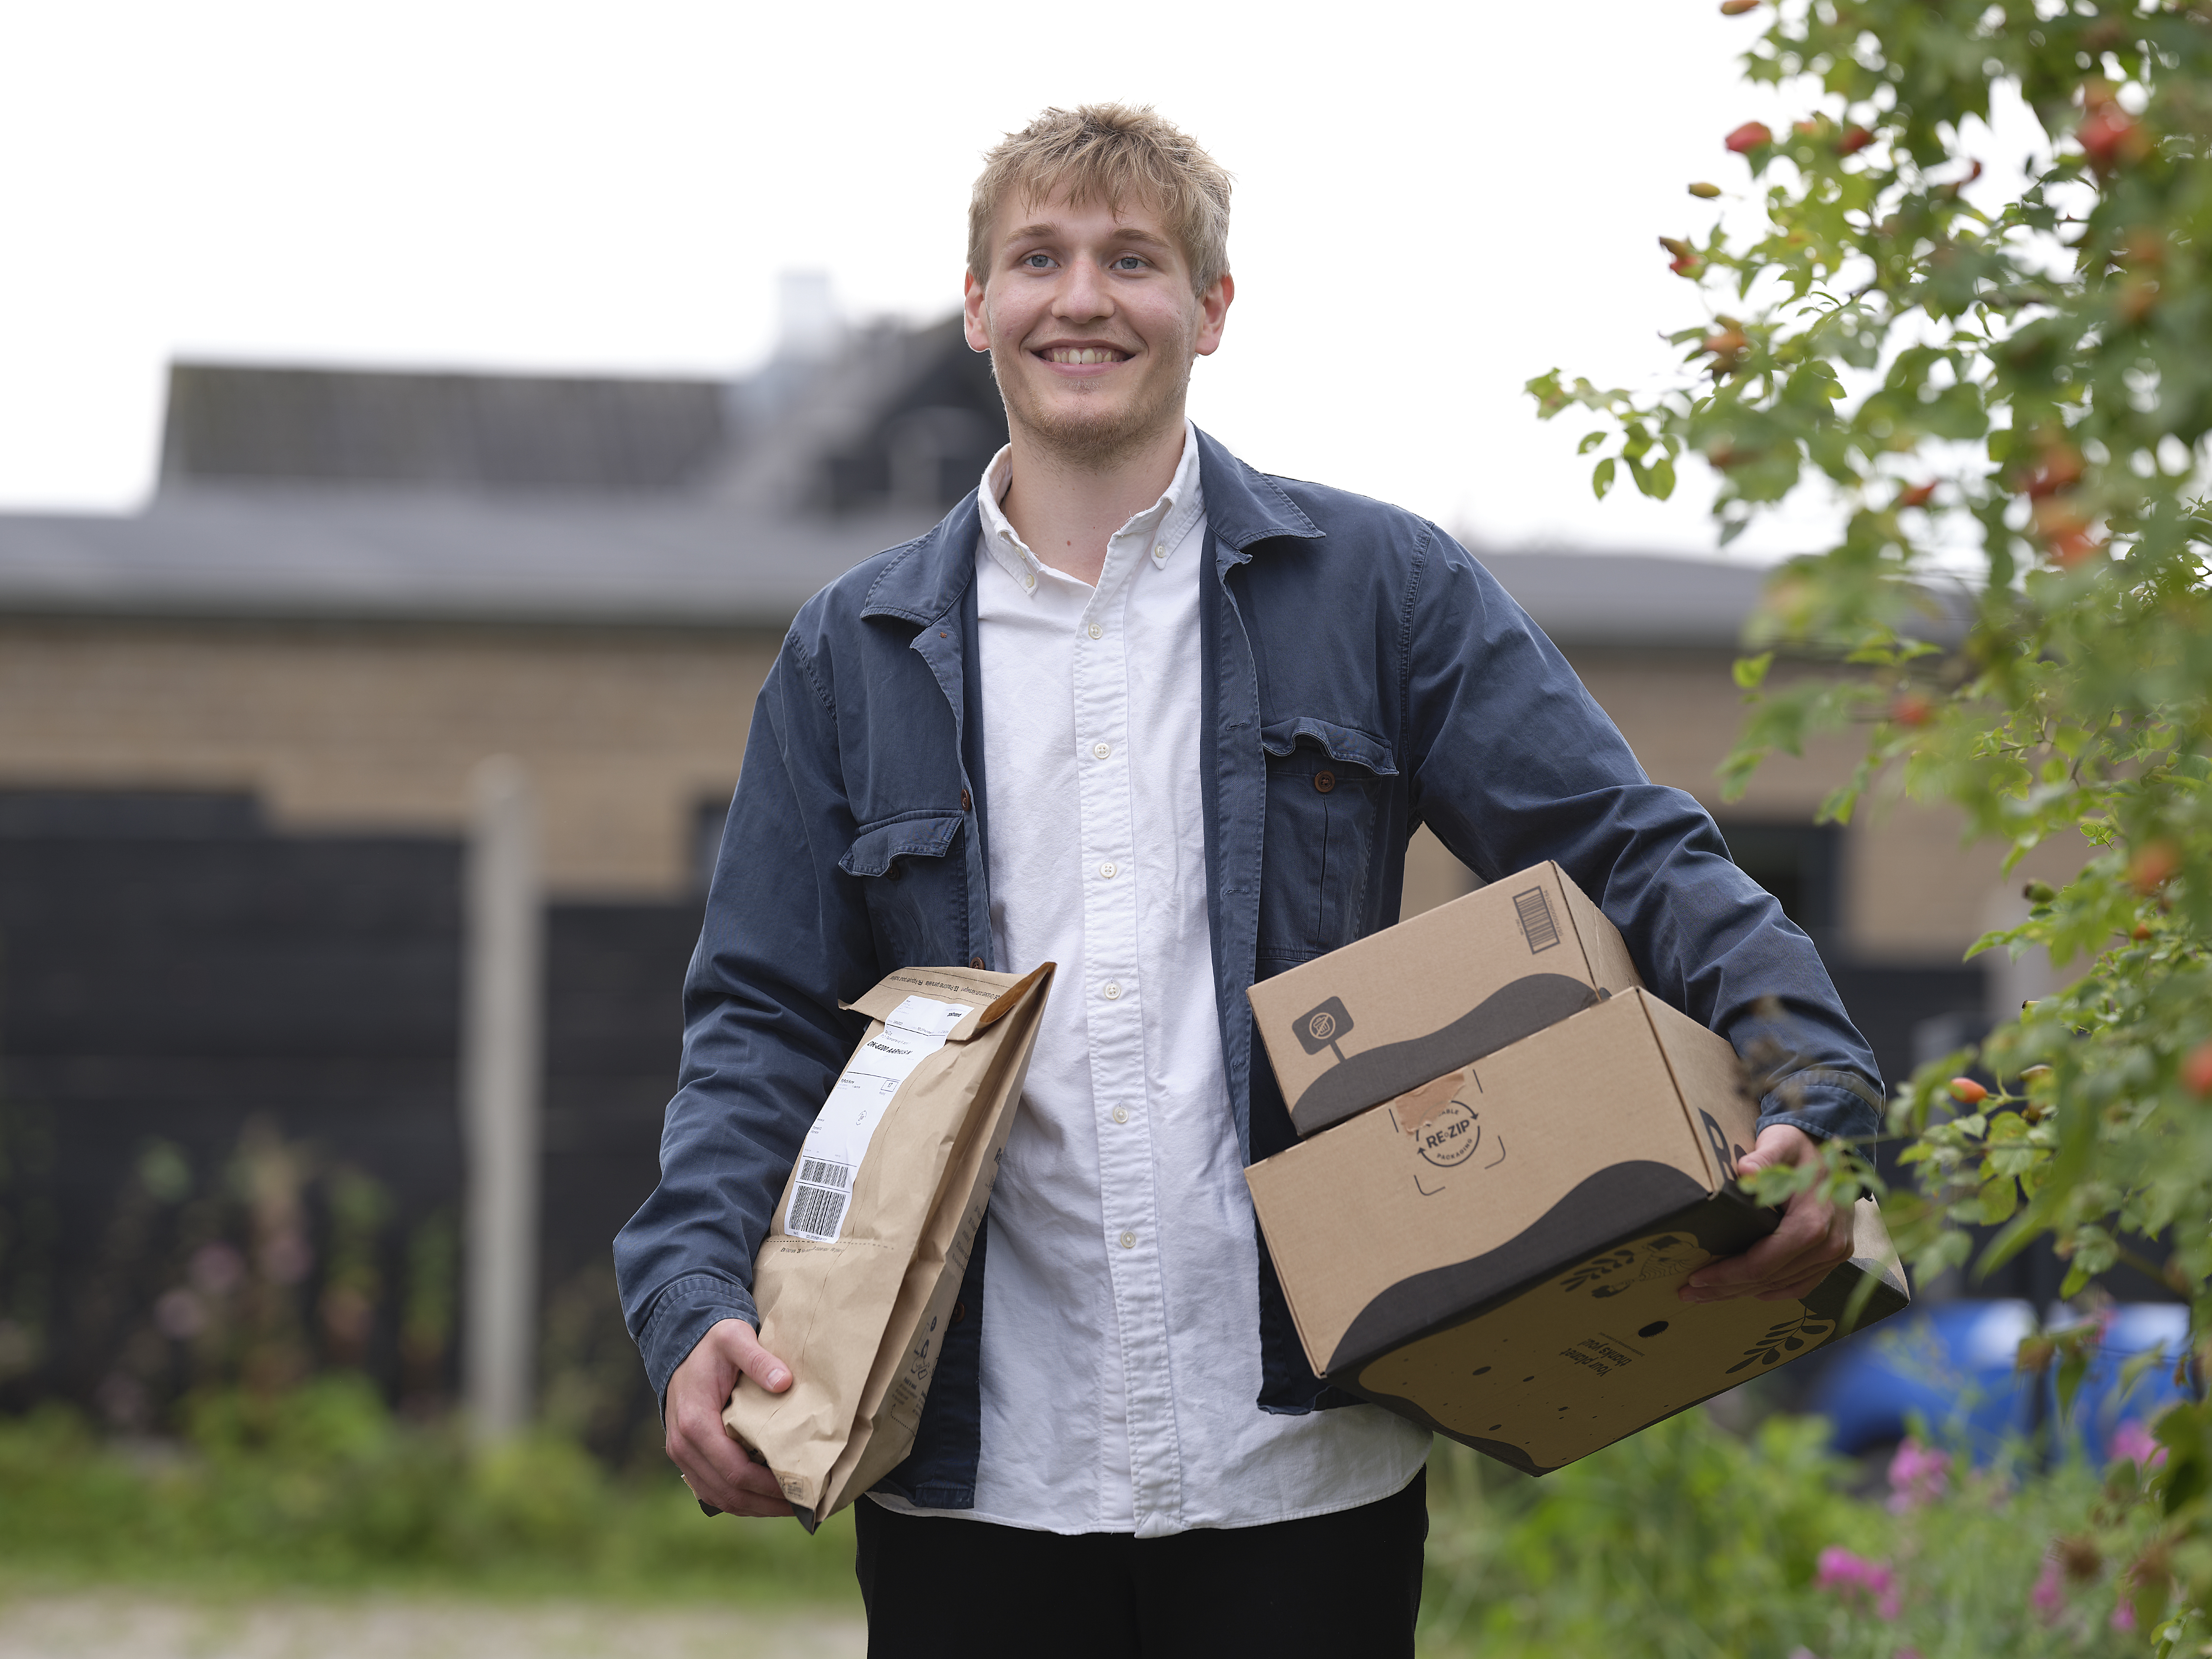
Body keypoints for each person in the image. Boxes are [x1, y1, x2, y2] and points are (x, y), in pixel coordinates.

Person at [615, 103, 1883, 1656]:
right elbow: (756, 1021)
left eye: (1132, 260)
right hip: (970, 1479)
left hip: (1301, 1469)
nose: (1081, 297)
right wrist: (689, 1298)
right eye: (1038, 259)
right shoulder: (848, 654)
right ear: (976, 306)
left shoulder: (1379, 591)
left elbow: (1624, 844)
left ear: (1211, 309)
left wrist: (1808, 1081)